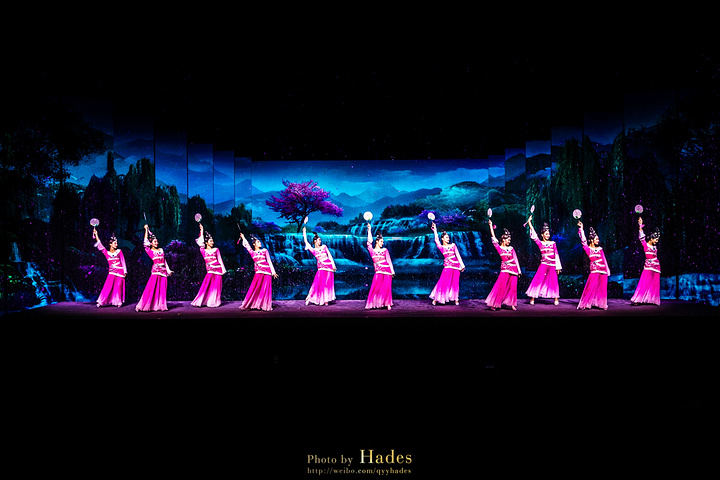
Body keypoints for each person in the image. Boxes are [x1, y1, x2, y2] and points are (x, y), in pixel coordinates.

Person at [525, 215, 562, 305]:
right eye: (546, 234)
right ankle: (532, 297)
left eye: (548, 234)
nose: (548, 235)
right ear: (542, 235)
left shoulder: (553, 243)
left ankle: (556, 298)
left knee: (554, 281)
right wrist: (529, 223)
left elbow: (556, 255)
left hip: (552, 265)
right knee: (538, 279)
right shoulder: (540, 243)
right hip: (544, 264)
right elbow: (534, 236)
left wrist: (558, 267)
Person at [136, 225, 173, 312]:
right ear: (151, 243)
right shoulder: (150, 251)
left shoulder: (161, 250)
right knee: (151, 289)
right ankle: (142, 305)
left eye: (157, 241)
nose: (157, 243)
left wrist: (168, 270)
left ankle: (160, 306)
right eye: (155, 241)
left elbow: (164, 261)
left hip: (163, 272)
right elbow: (145, 242)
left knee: (162, 290)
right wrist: (146, 230)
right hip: (156, 272)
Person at [485, 220, 520, 311]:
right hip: (505, 269)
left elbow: (515, 259)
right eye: (508, 240)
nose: (509, 241)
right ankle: (495, 303)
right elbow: (493, 238)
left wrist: (519, 271)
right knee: (501, 286)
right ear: (503, 239)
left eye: (510, 240)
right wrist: (490, 226)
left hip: (514, 269)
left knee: (513, 287)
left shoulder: (511, 248)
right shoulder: (499, 248)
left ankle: (512, 304)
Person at [239, 232, 278, 311]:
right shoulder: (252, 252)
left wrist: (273, 272)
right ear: (254, 244)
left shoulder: (264, 250)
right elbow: (247, 246)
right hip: (258, 271)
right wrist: (243, 237)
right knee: (256, 288)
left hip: (267, 271)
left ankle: (265, 305)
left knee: (265, 289)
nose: (260, 243)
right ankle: (254, 303)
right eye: (258, 242)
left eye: (259, 242)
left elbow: (269, 261)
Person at [429, 222, 465, 305]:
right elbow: (436, 240)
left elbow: (458, 255)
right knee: (443, 281)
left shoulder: (453, 245)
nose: (448, 238)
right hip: (448, 265)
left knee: (455, 283)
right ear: (442, 239)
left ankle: (455, 299)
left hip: (456, 266)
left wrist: (462, 266)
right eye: (446, 237)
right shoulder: (441, 247)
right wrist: (435, 230)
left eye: (448, 237)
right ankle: (437, 298)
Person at [191, 223, 226, 307]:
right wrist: (202, 230)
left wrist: (223, 270)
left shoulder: (216, 249)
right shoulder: (203, 251)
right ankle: (202, 301)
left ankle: (214, 302)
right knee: (206, 286)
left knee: (216, 287)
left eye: (213, 241)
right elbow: (200, 242)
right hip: (210, 270)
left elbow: (220, 259)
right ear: (206, 242)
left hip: (218, 269)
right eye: (211, 241)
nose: (212, 242)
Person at [577, 221, 610, 310]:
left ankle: (601, 304)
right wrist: (581, 229)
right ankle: (585, 303)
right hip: (594, 270)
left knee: (602, 289)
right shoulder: (588, 249)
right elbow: (583, 242)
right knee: (590, 287)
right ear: (592, 240)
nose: (598, 240)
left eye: (598, 239)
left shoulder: (600, 249)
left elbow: (604, 260)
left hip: (603, 270)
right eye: (596, 239)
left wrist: (607, 271)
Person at [630, 216, 661, 305]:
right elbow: (641, 237)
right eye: (655, 239)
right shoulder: (646, 245)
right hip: (648, 266)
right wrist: (640, 226)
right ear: (651, 238)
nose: (656, 241)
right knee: (644, 283)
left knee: (654, 284)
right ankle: (638, 299)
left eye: (657, 240)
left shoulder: (655, 247)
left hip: (656, 266)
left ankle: (652, 300)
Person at [302, 226, 337, 306]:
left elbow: (330, 256)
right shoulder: (314, 250)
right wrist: (304, 233)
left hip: (329, 267)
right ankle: (311, 297)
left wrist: (333, 265)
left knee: (327, 284)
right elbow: (306, 242)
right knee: (318, 283)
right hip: (321, 268)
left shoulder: (324, 247)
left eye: (320, 240)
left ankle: (326, 300)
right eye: (319, 240)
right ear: (315, 241)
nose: (320, 241)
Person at [92, 228, 127, 307]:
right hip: (112, 271)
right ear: (110, 244)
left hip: (120, 272)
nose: (116, 245)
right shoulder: (107, 253)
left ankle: (118, 301)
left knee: (118, 287)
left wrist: (125, 271)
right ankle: (101, 301)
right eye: (115, 243)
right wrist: (96, 235)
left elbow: (123, 261)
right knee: (108, 287)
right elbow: (100, 245)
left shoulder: (119, 251)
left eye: (116, 243)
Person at [365, 223, 395, 310]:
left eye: (383, 242)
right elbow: (369, 243)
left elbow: (389, 261)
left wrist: (392, 271)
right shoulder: (372, 251)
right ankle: (374, 303)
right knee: (376, 287)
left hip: (387, 270)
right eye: (381, 241)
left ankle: (387, 303)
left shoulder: (385, 250)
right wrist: (369, 230)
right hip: (378, 271)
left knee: (387, 288)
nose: (383, 243)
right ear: (377, 241)